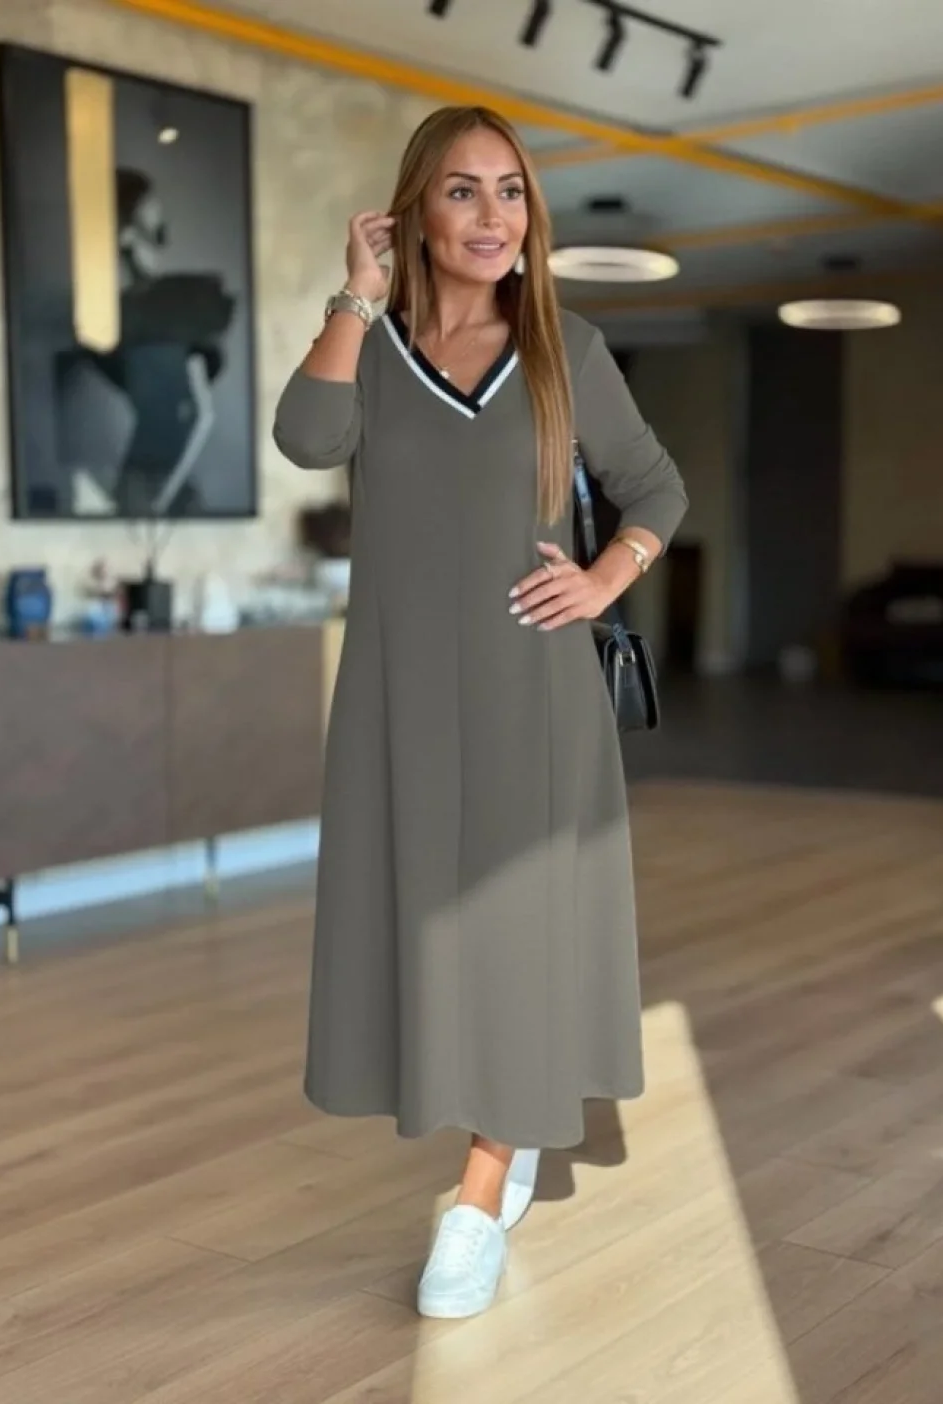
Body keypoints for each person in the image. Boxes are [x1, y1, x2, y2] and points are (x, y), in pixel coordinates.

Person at [273, 105, 688, 1321]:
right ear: (412, 211)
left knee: (514, 931)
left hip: (531, 695)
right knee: (424, 931)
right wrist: (355, 298)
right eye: (462, 191)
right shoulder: (373, 350)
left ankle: (482, 1187)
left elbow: (653, 486)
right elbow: (305, 438)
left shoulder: (567, 348)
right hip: (396, 698)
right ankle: (506, 1125)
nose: (492, 216)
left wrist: (604, 577)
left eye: (510, 192)